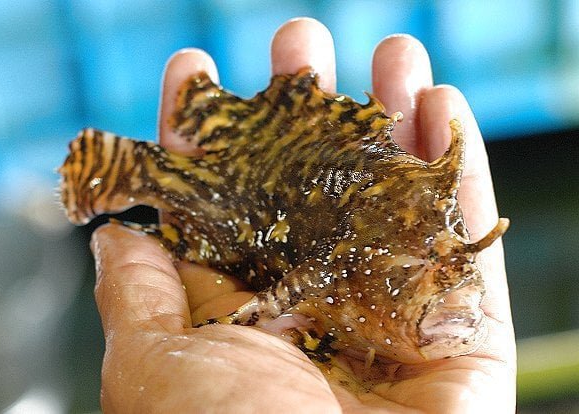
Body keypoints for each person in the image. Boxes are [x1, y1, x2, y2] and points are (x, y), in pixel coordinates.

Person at [90, 18, 516, 413]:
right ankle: (125, 171)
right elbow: (309, 279)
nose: (460, 302)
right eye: (427, 270)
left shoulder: (387, 259)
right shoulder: (339, 267)